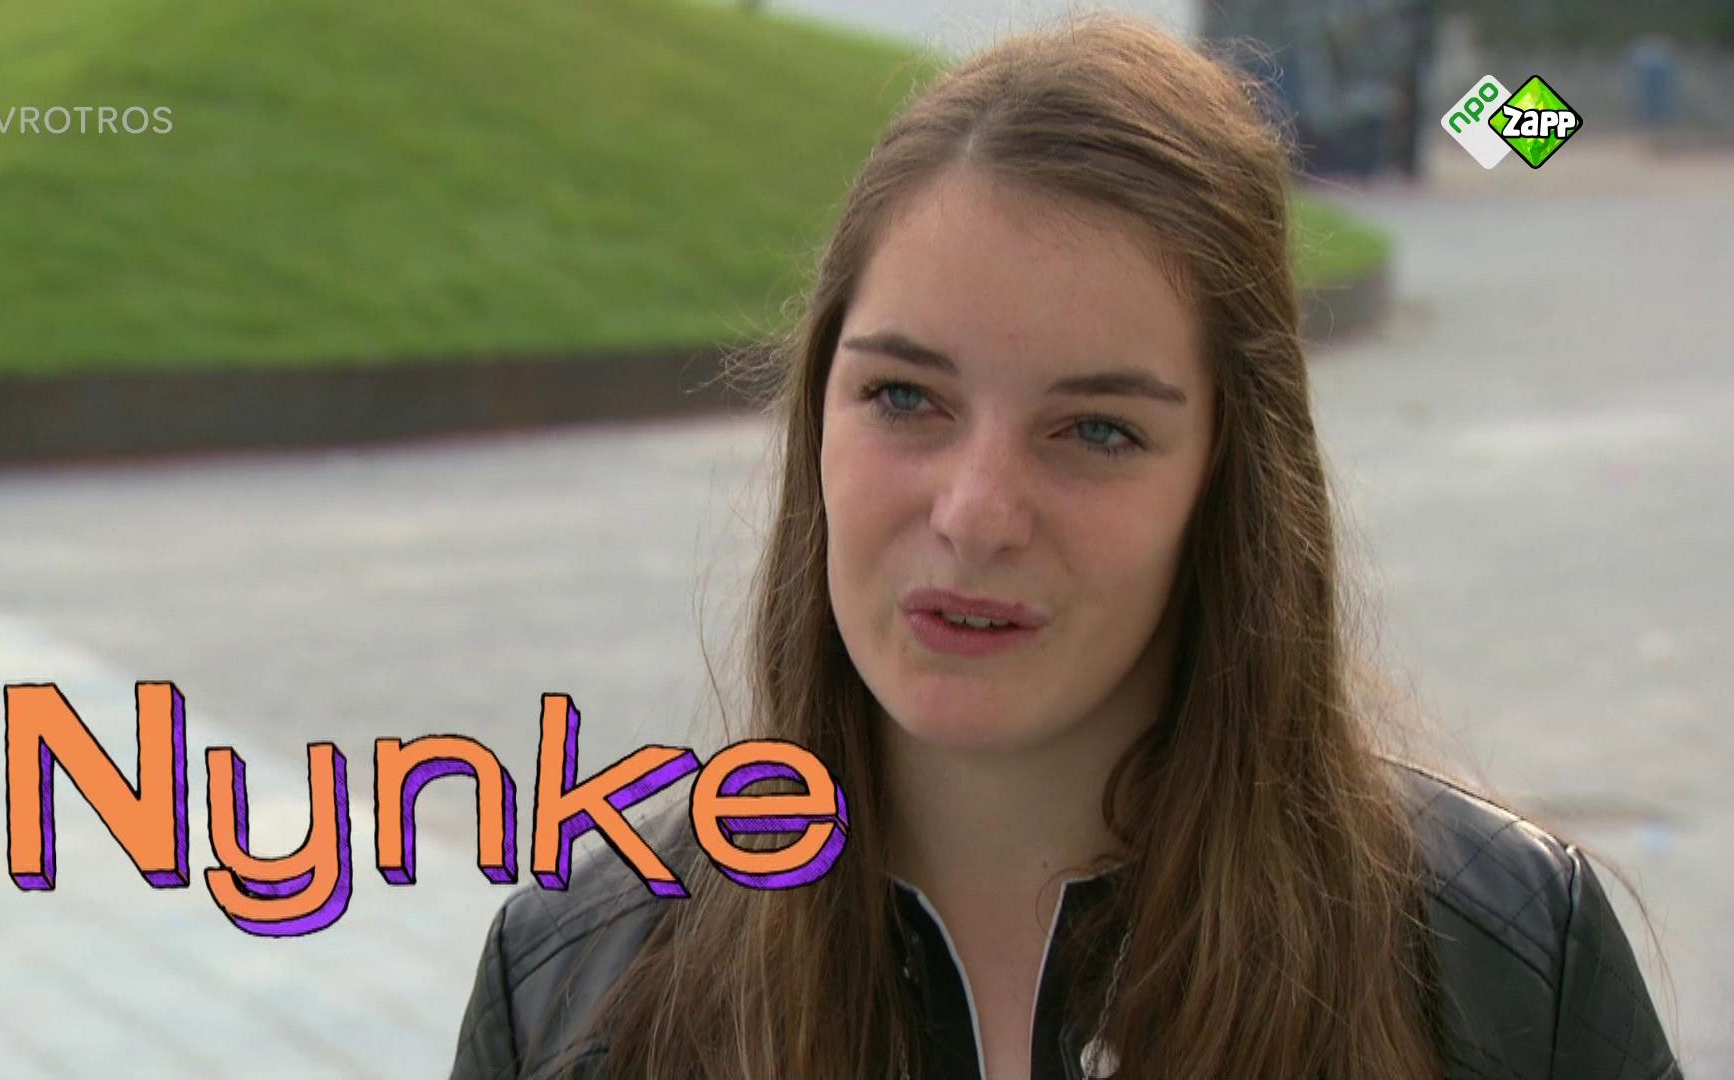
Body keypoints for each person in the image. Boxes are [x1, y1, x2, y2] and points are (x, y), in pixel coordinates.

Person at [449, 13, 1682, 1080]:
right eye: (903, 398)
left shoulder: (1502, 967)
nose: (976, 512)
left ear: (1230, 480)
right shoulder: (573, 990)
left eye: (1097, 429)